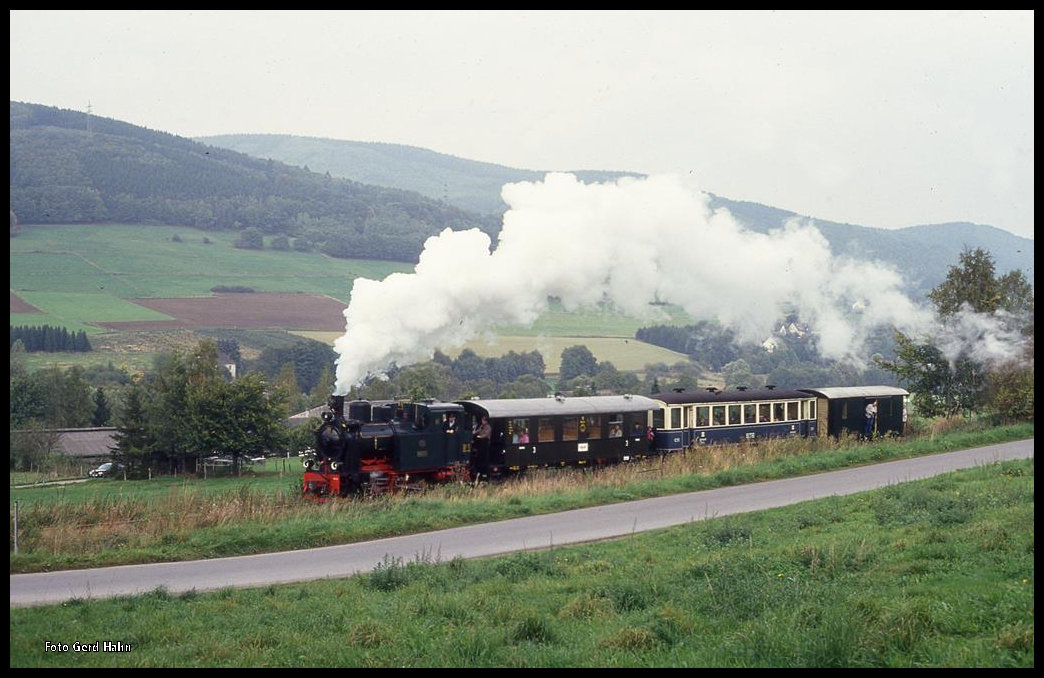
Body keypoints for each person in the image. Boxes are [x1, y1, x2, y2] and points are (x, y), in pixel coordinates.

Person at [471, 415, 492, 479]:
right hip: (480, 442)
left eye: (483, 420)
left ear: (486, 421)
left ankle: (485, 472)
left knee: (485, 457)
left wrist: (480, 436)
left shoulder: (488, 427)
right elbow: (478, 431)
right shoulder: (481, 426)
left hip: (485, 442)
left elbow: (486, 434)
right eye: (482, 420)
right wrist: (473, 434)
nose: (482, 421)